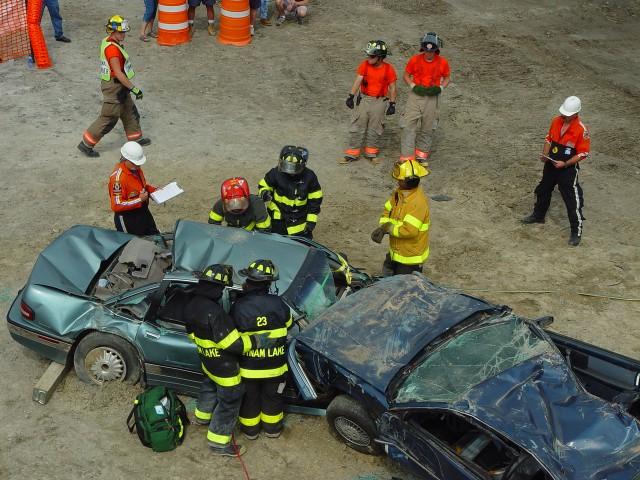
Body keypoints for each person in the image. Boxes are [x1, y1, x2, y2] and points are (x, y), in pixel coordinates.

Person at [184, 264, 255, 456]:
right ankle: (218, 443)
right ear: (217, 288)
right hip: (225, 368)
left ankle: (202, 417)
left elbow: (191, 335)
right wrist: (254, 340)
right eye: (222, 288)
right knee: (229, 402)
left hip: (207, 362)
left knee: (209, 387)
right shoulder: (215, 313)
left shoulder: (191, 304)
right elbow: (234, 345)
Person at [232, 260, 292, 440]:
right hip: (275, 367)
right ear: (269, 283)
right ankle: (272, 430)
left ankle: (251, 432)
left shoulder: (239, 306)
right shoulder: (279, 303)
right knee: (273, 399)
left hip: (249, 369)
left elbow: (232, 336)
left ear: (249, 282)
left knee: (250, 400)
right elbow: (288, 324)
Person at [522, 96, 590, 246]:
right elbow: (548, 139)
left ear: (575, 114)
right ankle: (538, 215)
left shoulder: (581, 130)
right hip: (551, 164)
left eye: (567, 114)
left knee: (571, 200)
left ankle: (576, 231)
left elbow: (583, 153)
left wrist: (565, 163)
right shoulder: (556, 121)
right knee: (543, 189)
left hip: (567, 170)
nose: (564, 116)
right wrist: (545, 156)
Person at [78, 16, 150, 158]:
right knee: (109, 117)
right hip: (114, 87)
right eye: (121, 32)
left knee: (129, 111)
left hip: (118, 86)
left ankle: (135, 138)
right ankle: (86, 144)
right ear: (113, 31)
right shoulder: (112, 50)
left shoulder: (108, 41)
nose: (124, 34)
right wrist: (134, 88)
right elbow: (118, 72)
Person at [342, 40, 398, 165]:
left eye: (372, 56)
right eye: (368, 55)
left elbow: (393, 87)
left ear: (380, 57)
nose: (369, 58)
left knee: (375, 127)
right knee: (358, 124)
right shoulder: (365, 65)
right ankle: (352, 153)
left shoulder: (389, 69)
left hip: (380, 101)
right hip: (364, 99)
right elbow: (358, 80)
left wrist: (392, 104)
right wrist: (351, 96)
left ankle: (371, 153)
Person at [371, 160, 430, 276]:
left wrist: (387, 228)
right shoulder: (399, 194)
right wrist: (383, 226)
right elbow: (388, 209)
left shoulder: (417, 203)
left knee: (405, 289)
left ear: (409, 181)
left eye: (400, 180)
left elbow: (409, 231)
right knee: (388, 276)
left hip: (410, 258)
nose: (397, 182)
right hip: (397, 251)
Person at [400, 32, 450, 164]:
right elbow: (406, 75)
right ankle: (407, 156)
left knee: (428, 126)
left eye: (431, 51)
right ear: (423, 49)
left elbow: (447, 78)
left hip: (432, 98)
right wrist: (412, 86)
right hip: (416, 95)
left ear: (436, 50)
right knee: (409, 124)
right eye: (426, 51)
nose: (428, 53)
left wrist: (440, 88)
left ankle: (421, 155)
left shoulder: (443, 62)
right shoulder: (415, 60)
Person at [258, 146, 323, 238]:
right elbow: (264, 184)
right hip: (278, 218)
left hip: (299, 221)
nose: (289, 171)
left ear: (302, 165)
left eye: (294, 168)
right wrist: (264, 192)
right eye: (286, 166)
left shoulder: (310, 177)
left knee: (302, 247)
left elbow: (315, 200)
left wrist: (311, 221)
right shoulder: (275, 173)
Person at [108, 141, 159, 235]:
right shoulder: (118, 180)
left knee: (155, 237)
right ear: (125, 159)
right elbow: (116, 205)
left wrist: (153, 191)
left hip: (143, 212)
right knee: (134, 245)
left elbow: (141, 187)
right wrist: (139, 200)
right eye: (135, 163)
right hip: (128, 219)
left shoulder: (135, 169)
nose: (138, 165)